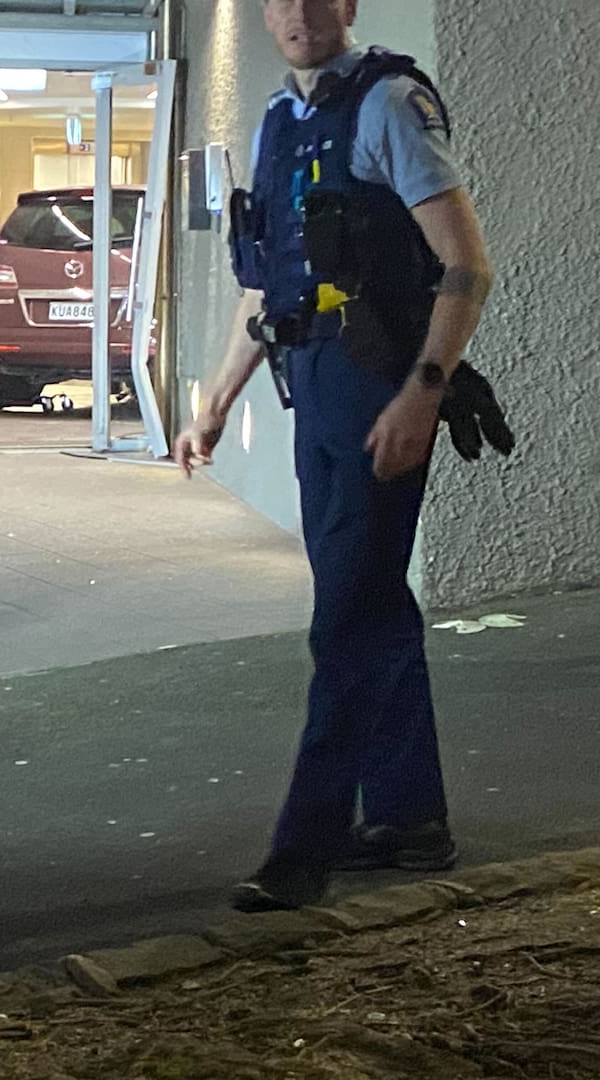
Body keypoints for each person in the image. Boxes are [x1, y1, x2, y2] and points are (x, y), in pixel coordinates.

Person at [172, 0, 496, 912]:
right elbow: (266, 288)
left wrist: (422, 393)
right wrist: (215, 403)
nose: (298, 13)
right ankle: (409, 819)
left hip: (377, 385)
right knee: (371, 601)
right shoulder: (280, 119)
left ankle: (304, 849)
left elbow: (466, 264)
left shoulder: (387, 103)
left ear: (348, 6)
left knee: (347, 617)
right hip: (313, 385)